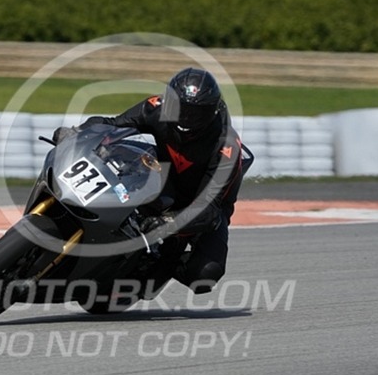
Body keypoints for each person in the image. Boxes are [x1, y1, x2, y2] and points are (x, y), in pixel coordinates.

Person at [53, 67, 246, 294]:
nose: (185, 117)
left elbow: (210, 209)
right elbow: (112, 125)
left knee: (204, 274)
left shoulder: (226, 146)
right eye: (179, 108)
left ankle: (166, 264)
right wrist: (77, 133)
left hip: (204, 207)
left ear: (210, 112)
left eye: (195, 113)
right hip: (163, 177)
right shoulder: (156, 107)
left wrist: (170, 222)